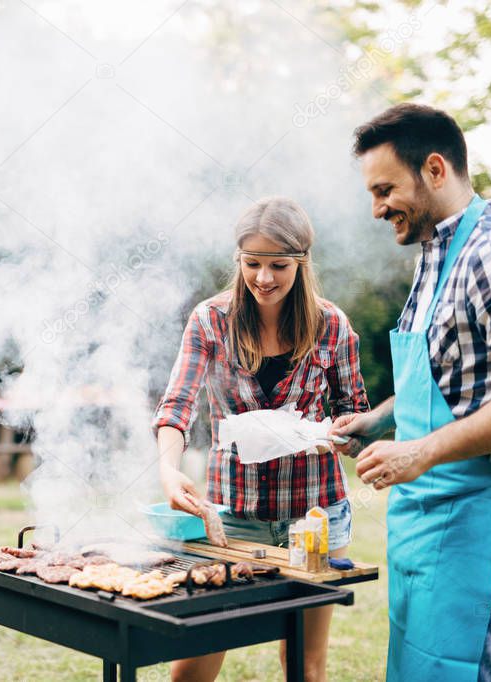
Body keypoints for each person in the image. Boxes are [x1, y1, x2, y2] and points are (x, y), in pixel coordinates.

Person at [332, 103, 491, 681]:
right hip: (426, 520)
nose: (378, 208)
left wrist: (419, 452)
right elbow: (446, 380)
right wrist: (380, 421)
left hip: (480, 524)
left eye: (385, 189)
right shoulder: (435, 257)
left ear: (435, 169)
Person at [154, 197, 369, 682]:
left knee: (305, 665)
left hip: (316, 517)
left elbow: (354, 413)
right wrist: (168, 468)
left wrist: (341, 435)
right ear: (238, 261)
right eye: (253, 263)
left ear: (302, 263)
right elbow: (177, 407)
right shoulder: (210, 320)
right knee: (193, 664)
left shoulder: (333, 326)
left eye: (279, 265)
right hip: (233, 516)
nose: (264, 278)